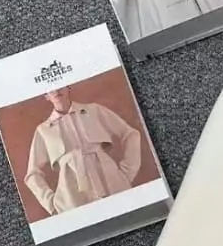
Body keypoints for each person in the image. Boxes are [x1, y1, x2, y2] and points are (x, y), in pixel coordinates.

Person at [24, 86, 141, 215]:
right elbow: (32, 174)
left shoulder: (94, 110)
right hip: (72, 196)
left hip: (112, 182)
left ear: (68, 87)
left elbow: (130, 134)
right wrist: (51, 203)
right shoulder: (44, 130)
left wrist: (127, 173)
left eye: (59, 86)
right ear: (46, 96)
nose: (56, 91)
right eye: (50, 90)